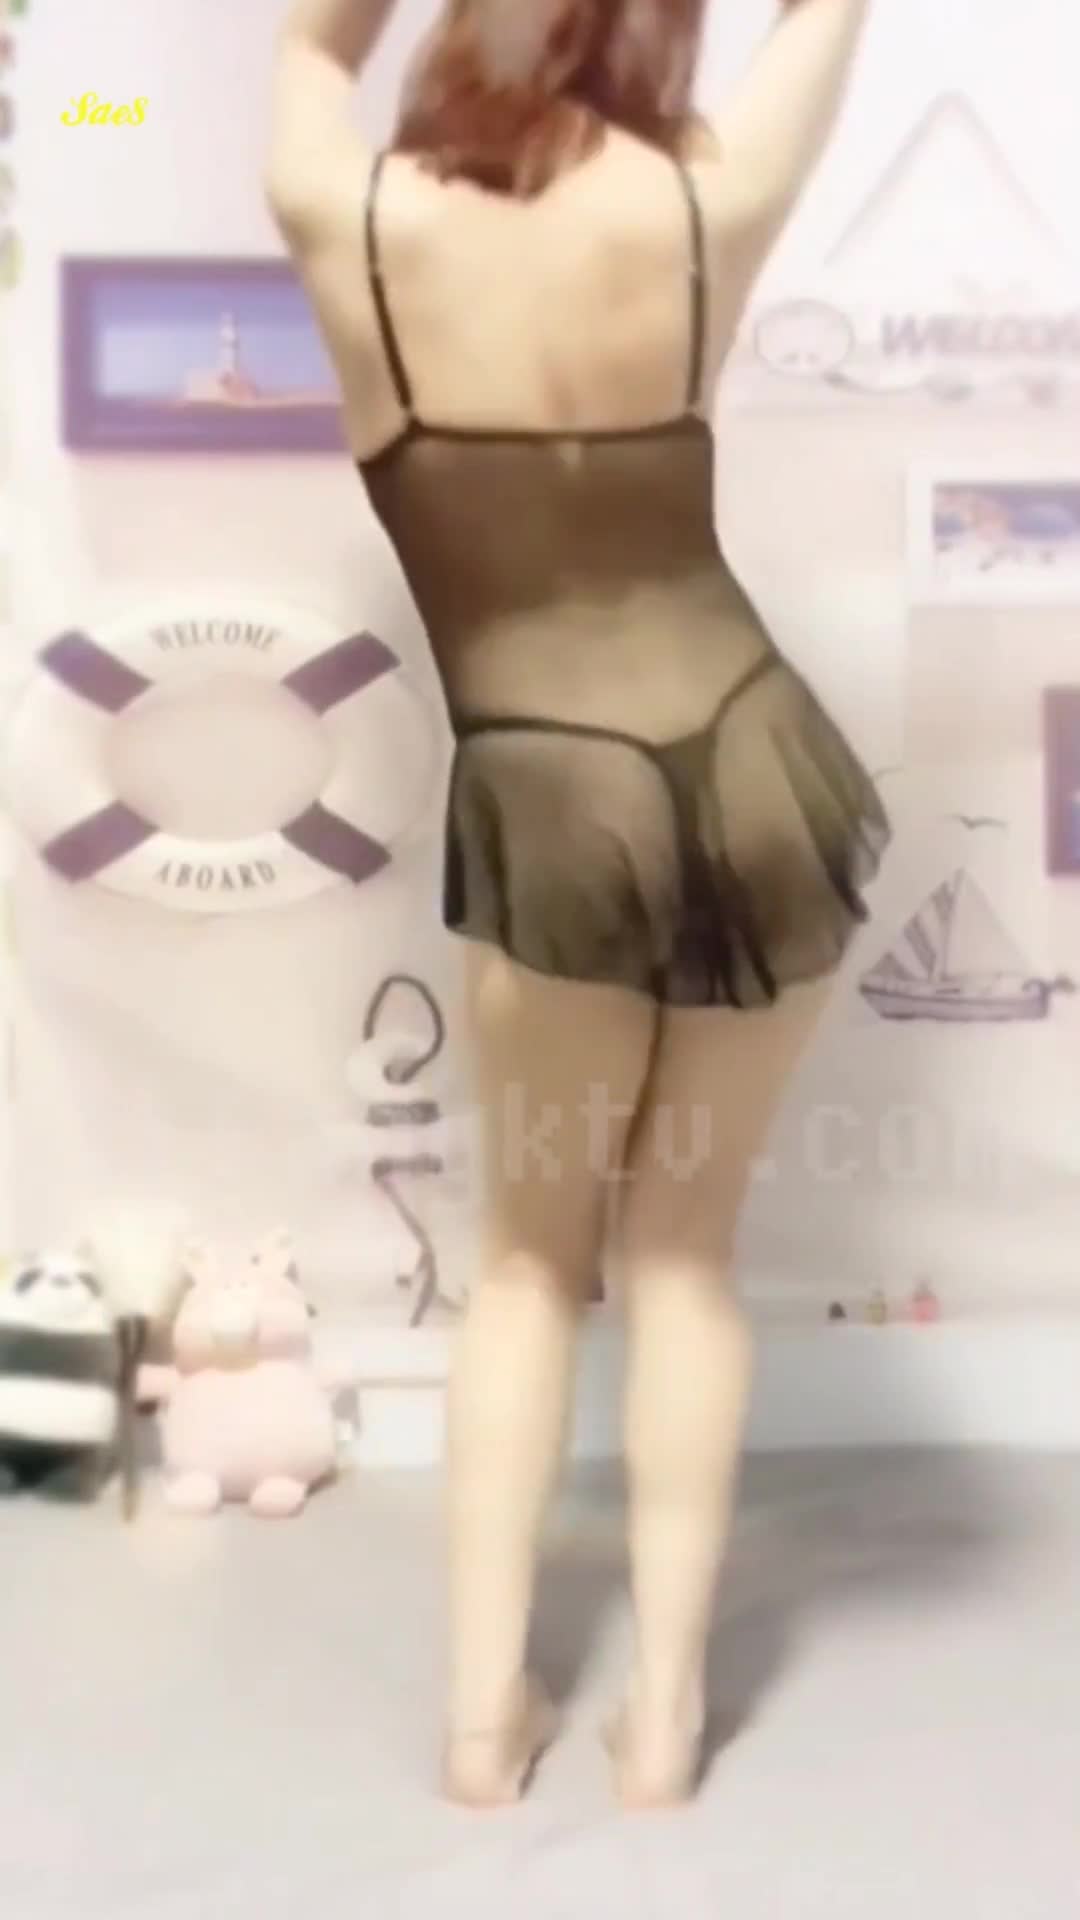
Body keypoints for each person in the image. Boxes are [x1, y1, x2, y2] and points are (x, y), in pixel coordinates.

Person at [269, 0, 888, 1810]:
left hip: (554, 791)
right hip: (760, 759)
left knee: (533, 1270)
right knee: (687, 1257)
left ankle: (485, 1726)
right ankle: (667, 1725)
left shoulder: (348, 215)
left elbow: (311, 49)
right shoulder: (709, 198)